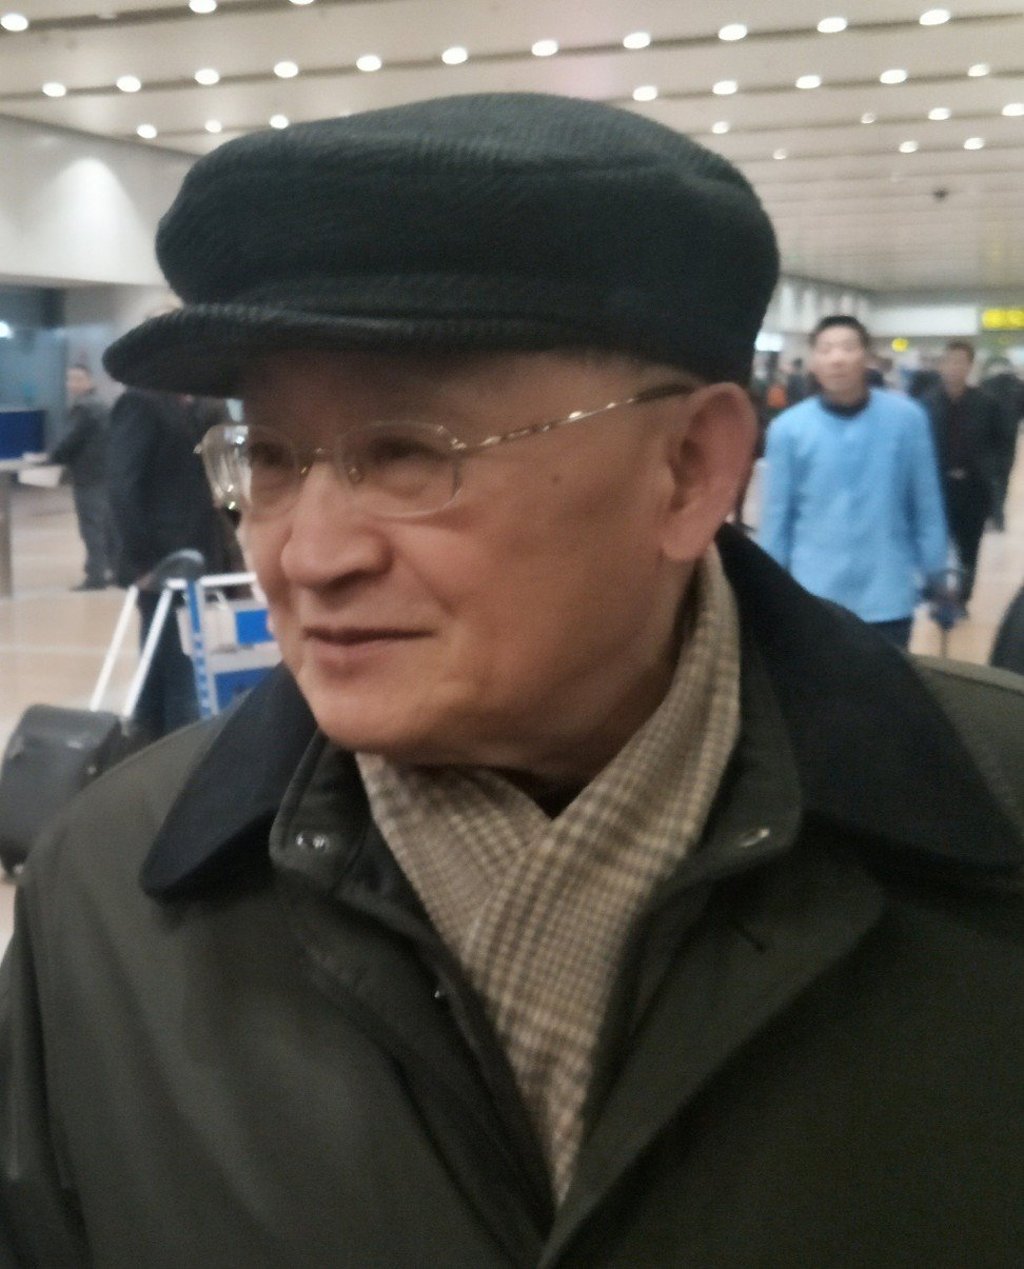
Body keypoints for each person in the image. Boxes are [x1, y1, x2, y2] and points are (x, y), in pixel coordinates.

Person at [3, 93, 1024, 1267]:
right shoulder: (110, 892)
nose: (310, 554)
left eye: (410, 453)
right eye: (271, 460)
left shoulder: (988, 848)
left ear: (691, 468)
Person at [758, 314, 948, 648]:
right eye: (826, 349)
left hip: (888, 595)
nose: (837, 358)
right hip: (815, 596)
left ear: (867, 357)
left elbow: (926, 505)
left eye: (848, 347)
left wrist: (940, 575)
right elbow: (777, 518)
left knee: (889, 695)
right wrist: (766, 590)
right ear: (813, 362)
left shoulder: (907, 420)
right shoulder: (789, 429)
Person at [106, 388, 240, 738]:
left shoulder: (207, 405)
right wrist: (141, 563)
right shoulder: (141, 403)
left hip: (204, 555)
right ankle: (180, 754)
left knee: (165, 668)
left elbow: (222, 475)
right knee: (181, 668)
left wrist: (233, 519)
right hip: (162, 561)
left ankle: (146, 743)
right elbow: (123, 486)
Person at [922, 340, 1004, 610]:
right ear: (942, 365)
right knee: (936, 544)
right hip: (937, 487)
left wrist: (996, 491)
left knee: (969, 547)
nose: (955, 367)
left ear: (970, 366)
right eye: (950, 361)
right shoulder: (927, 404)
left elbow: (1000, 447)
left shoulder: (987, 403)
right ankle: (936, 594)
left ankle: (963, 598)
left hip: (973, 487)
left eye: (961, 362)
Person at [49, 363, 112, 590]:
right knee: (106, 525)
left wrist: (51, 458)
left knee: (91, 527)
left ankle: (95, 576)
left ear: (90, 381)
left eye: (78, 379)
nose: (73, 384)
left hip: (88, 476)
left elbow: (70, 440)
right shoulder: (102, 405)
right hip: (105, 473)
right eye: (70, 379)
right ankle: (112, 570)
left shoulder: (84, 408)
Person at [981, 355, 1024, 530]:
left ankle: (993, 513)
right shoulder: (1019, 386)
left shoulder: (985, 384)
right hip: (1009, 436)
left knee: (990, 476)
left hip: (989, 437)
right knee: (1003, 475)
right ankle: (998, 516)